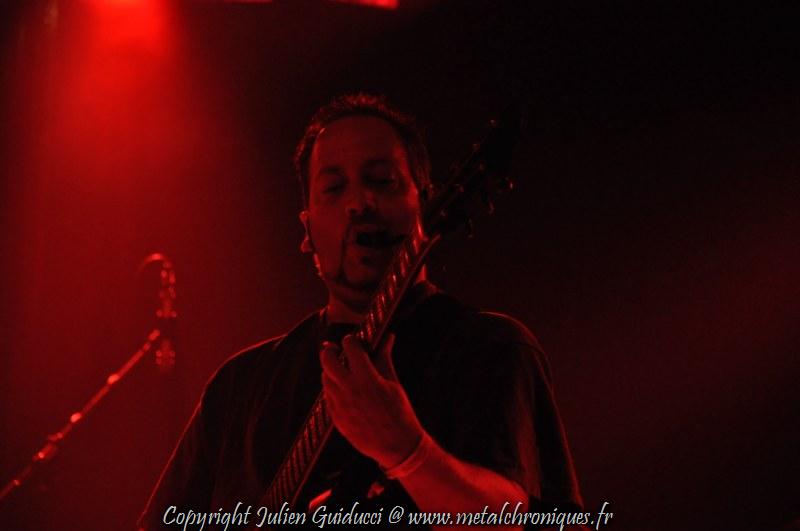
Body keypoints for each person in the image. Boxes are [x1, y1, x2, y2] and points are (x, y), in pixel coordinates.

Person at [138, 94, 583, 530]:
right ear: (307, 230)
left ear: (425, 201)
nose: (359, 202)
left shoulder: (490, 349)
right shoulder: (239, 386)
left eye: (383, 181)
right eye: (334, 188)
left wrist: (408, 451)